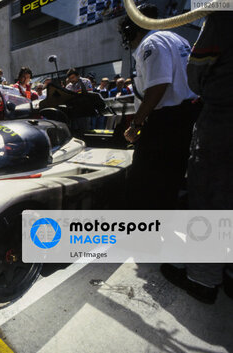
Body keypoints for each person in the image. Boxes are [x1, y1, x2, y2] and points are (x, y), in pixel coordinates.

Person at [160, 11, 233, 304]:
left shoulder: (224, 17)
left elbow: (197, 73)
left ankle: (203, 278)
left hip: (224, 121)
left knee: (210, 197)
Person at [120, 4, 199, 209]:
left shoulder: (151, 43)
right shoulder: (178, 39)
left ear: (132, 29)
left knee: (142, 187)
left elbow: (158, 86)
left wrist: (136, 124)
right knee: (169, 184)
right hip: (187, 117)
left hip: (164, 125)